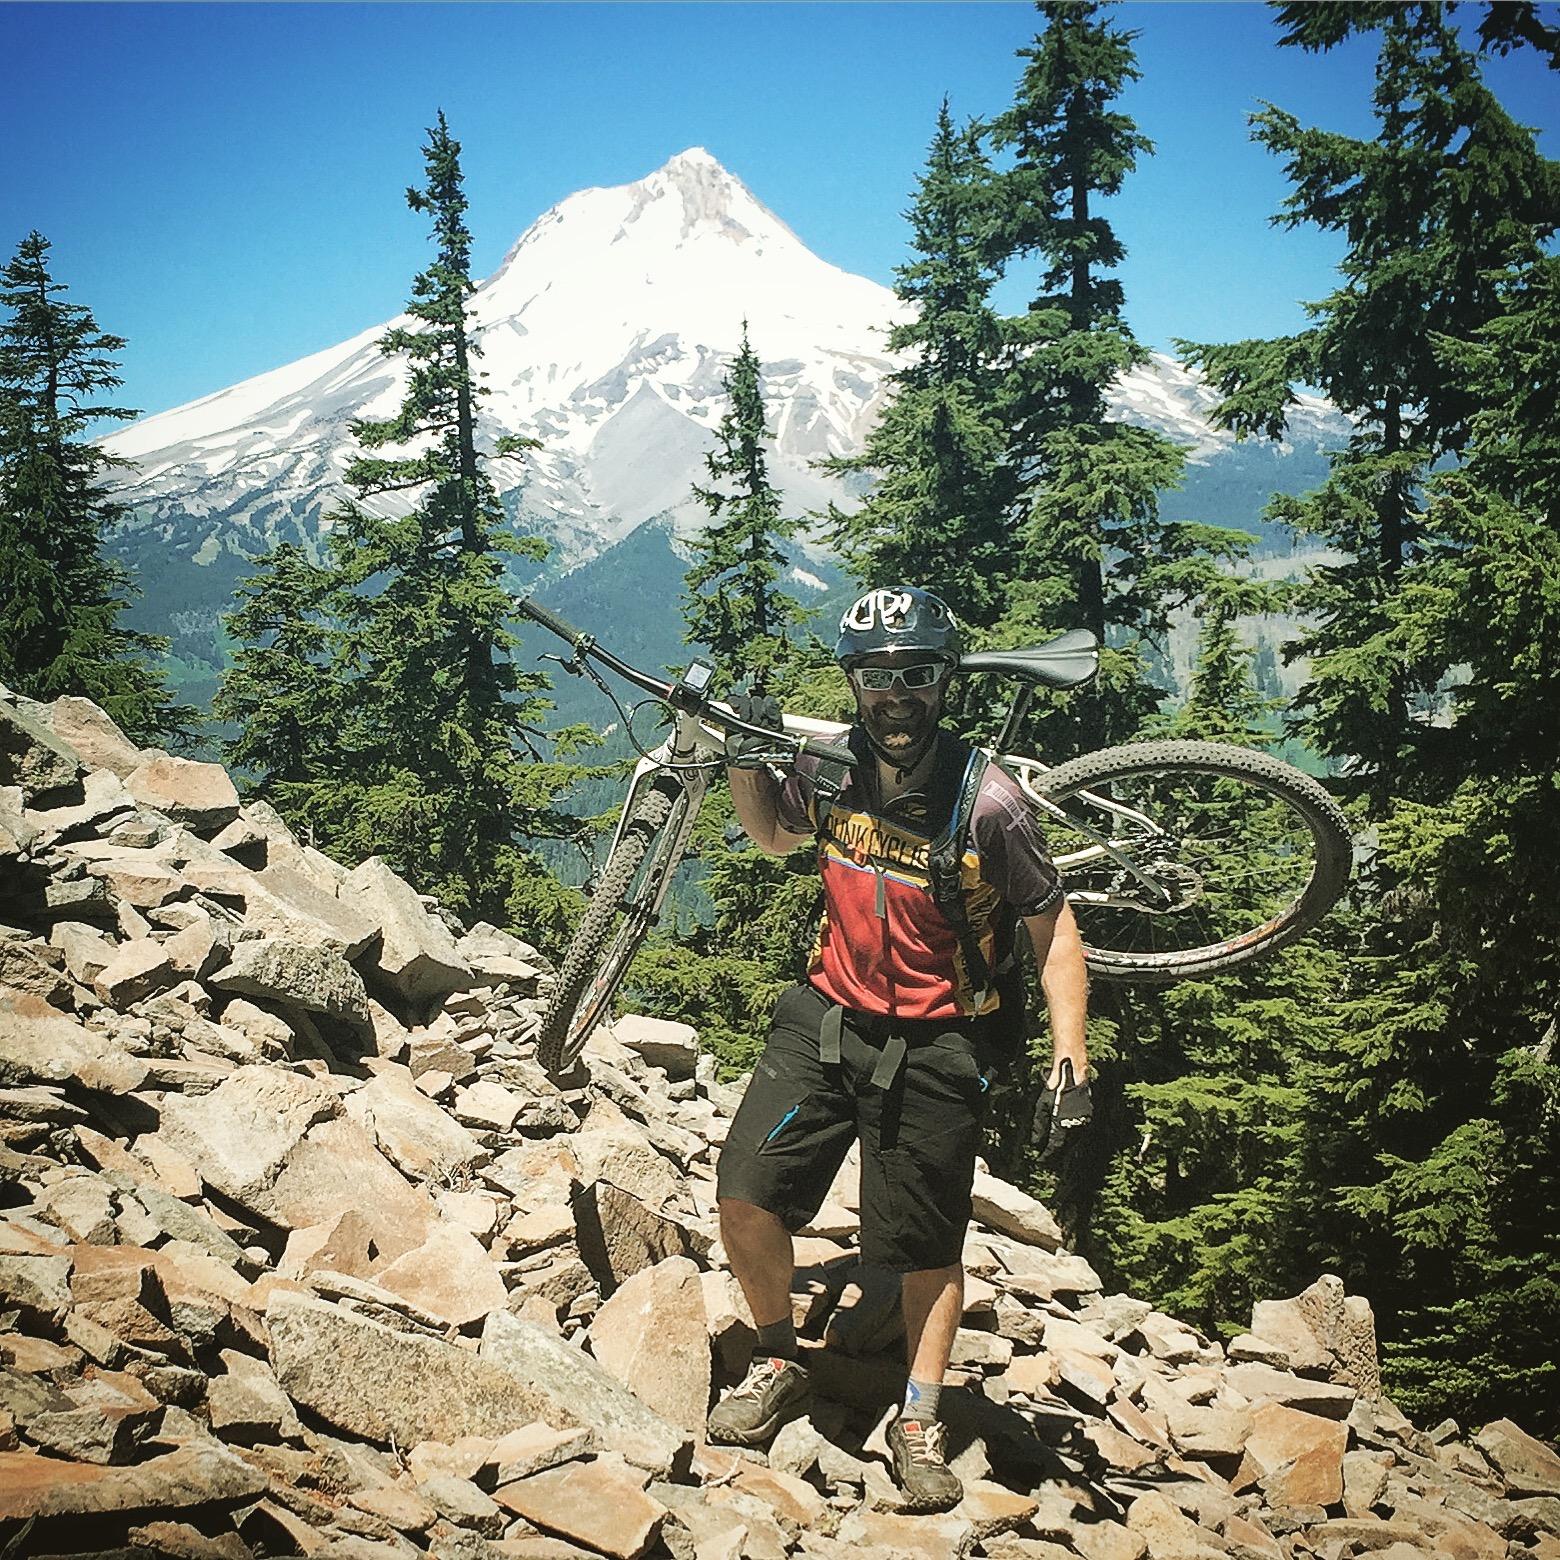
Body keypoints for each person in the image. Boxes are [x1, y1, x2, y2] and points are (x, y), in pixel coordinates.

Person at [706, 585, 1091, 1513]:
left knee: (924, 1249)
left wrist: (1071, 1061)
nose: (897, 697)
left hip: (940, 1042)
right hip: (828, 1013)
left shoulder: (987, 803)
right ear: (854, 684)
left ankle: (918, 1419)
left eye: (916, 676)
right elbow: (768, 837)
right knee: (745, 1195)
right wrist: (747, 760)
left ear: (943, 682)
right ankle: (778, 1359)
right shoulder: (831, 771)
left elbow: (1055, 930)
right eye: (878, 679)